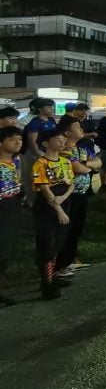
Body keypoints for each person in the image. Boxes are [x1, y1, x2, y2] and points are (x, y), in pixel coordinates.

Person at [31, 127, 74, 299]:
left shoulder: (65, 161)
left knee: (58, 242)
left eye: (63, 138)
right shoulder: (40, 163)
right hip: (47, 206)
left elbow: (71, 183)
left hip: (64, 200)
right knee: (46, 244)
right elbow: (44, 188)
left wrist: (63, 198)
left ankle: (51, 278)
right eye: (57, 139)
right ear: (45, 143)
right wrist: (58, 208)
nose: (62, 141)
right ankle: (46, 283)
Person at [55, 119, 101, 279]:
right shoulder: (63, 150)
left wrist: (85, 164)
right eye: (77, 127)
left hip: (82, 194)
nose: (82, 129)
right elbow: (78, 168)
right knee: (65, 230)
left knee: (76, 229)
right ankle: (59, 264)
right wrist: (87, 166)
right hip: (68, 195)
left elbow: (99, 162)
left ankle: (70, 259)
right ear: (67, 133)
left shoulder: (82, 148)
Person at [0, 126, 22, 306]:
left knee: (6, 249)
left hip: (12, 205)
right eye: (12, 139)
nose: (18, 142)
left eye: (20, 139)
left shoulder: (16, 161)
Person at [21, 97, 57, 201]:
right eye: (48, 107)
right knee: (35, 177)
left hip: (49, 153)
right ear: (40, 109)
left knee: (48, 176)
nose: (51, 109)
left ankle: (47, 198)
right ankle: (31, 200)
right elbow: (32, 142)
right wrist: (39, 155)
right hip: (36, 154)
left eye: (52, 107)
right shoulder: (35, 122)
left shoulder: (51, 120)